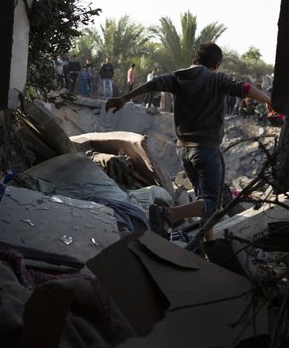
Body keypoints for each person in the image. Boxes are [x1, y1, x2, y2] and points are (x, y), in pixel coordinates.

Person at [105, 42, 272, 244]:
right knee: (211, 203)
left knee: (204, 202)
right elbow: (246, 88)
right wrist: (269, 102)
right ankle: (169, 214)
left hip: (184, 150)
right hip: (206, 151)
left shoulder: (179, 77)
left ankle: (207, 246)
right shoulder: (217, 79)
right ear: (217, 64)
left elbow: (152, 85)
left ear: (195, 59)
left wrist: (124, 98)